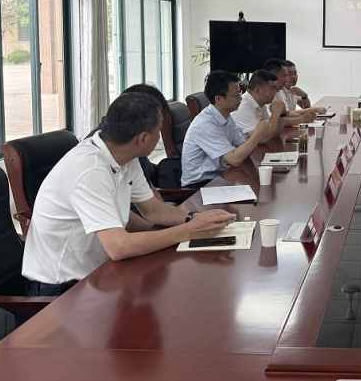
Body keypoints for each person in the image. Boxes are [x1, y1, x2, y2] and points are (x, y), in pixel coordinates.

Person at [22, 93, 236, 296]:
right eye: (158, 131)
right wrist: (188, 231)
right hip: (61, 289)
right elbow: (119, 246)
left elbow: (153, 209)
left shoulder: (125, 156)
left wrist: (194, 218)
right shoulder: (90, 170)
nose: (160, 137)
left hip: (101, 274)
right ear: (143, 138)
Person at [181, 70, 273, 187]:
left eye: (240, 93)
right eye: (236, 95)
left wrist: (255, 137)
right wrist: (257, 134)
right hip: (200, 185)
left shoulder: (226, 116)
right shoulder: (205, 124)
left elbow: (243, 150)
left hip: (221, 177)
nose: (240, 98)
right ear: (219, 99)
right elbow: (235, 159)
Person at [88, 83, 170, 204]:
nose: (159, 136)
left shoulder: (129, 148)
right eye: (158, 130)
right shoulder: (93, 165)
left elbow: (150, 201)